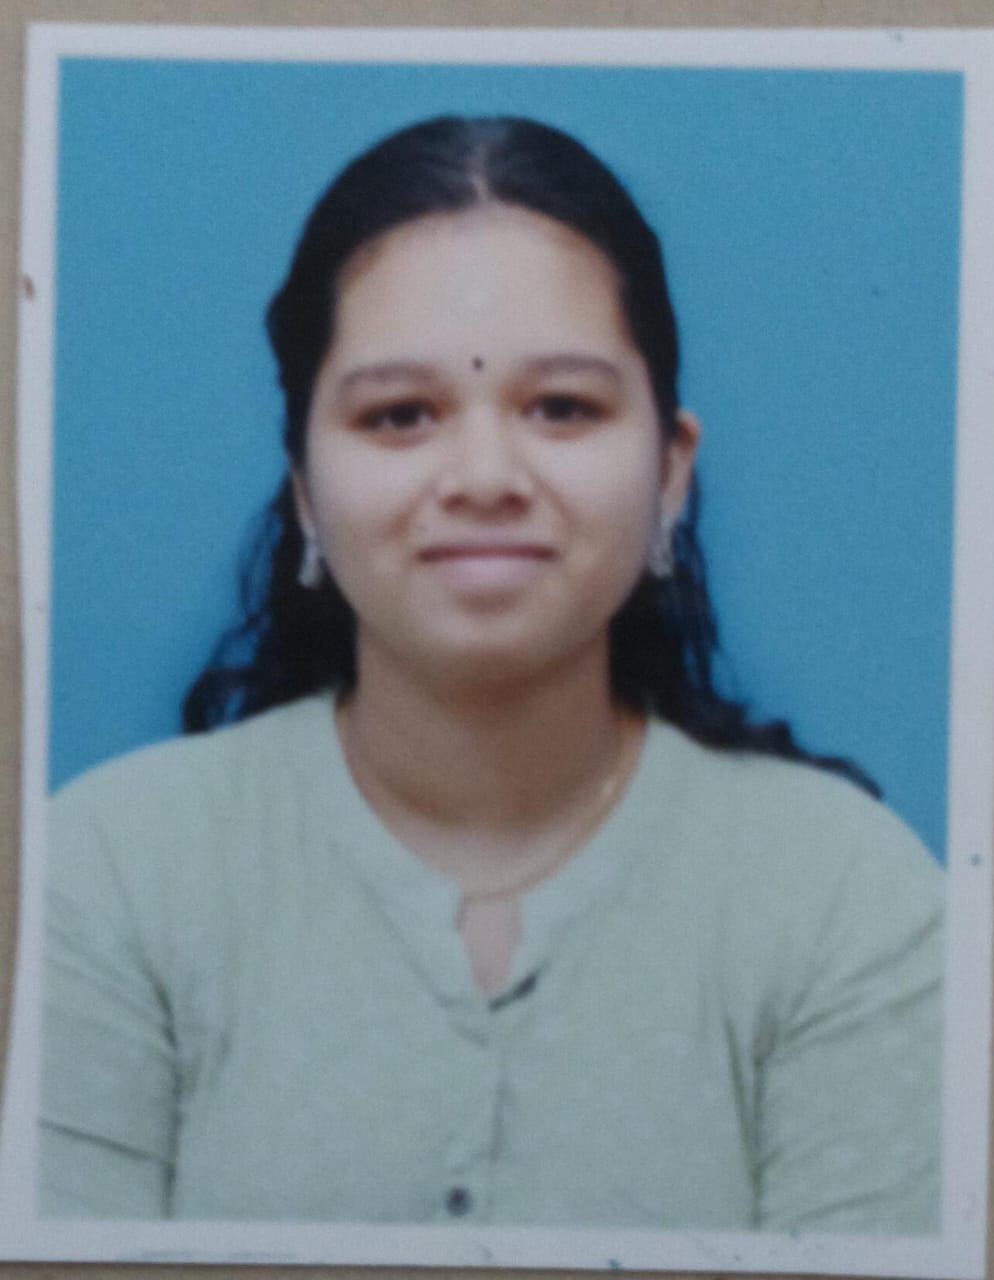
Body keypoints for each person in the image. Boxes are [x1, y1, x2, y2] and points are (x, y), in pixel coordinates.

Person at [39, 116, 942, 1231]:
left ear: (668, 473)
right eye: (399, 415)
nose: (483, 476)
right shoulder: (108, 878)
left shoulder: (844, 898)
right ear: (307, 491)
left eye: (561, 407)